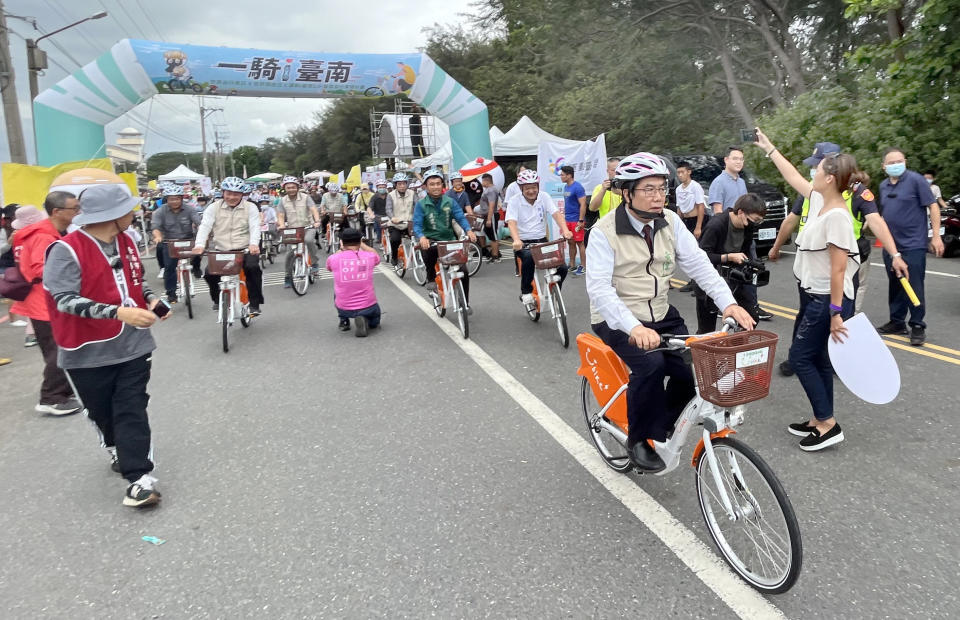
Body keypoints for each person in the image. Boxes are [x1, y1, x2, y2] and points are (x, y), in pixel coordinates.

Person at [586, 153, 755, 471]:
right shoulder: (604, 233)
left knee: (688, 377)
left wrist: (729, 304)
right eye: (648, 189)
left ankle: (660, 428)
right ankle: (637, 440)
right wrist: (633, 327)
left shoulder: (670, 221)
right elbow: (600, 290)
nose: (657, 196)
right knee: (649, 367)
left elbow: (699, 266)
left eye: (662, 188)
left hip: (661, 312)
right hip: (618, 316)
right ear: (627, 192)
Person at [43, 184, 167, 507]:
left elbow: (136, 280)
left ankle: (139, 478)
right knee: (101, 412)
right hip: (86, 351)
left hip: (134, 345)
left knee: (132, 407)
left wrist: (152, 300)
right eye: (128, 209)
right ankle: (115, 446)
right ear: (113, 215)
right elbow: (64, 300)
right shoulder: (65, 250)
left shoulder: (126, 241)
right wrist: (117, 312)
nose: (134, 213)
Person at [754, 128, 861, 451]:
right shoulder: (818, 199)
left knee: (800, 358)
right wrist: (769, 147)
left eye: (817, 169)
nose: (811, 173)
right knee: (818, 359)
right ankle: (819, 418)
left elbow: (840, 270)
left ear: (830, 178)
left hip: (824, 299)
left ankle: (828, 424)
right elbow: (791, 176)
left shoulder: (838, 216)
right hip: (810, 292)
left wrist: (836, 314)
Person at [769, 143, 907, 375]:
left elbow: (876, 222)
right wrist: (776, 246)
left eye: (817, 166)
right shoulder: (815, 191)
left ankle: (832, 362)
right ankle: (803, 358)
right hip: (811, 265)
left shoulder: (856, 192)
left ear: (831, 170)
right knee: (806, 314)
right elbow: (792, 217)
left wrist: (895, 254)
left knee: (841, 314)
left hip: (844, 264)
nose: (814, 171)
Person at [10, 198, 83, 415]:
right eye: (75, 209)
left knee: (55, 347)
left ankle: (62, 390)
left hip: (41, 299)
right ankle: (51, 397)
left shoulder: (41, 232)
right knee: (59, 348)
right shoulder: (43, 236)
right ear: (57, 211)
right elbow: (41, 268)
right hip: (44, 301)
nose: (78, 212)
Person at [876, 147, 943, 346]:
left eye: (899, 161)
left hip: (913, 244)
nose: (896, 165)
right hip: (891, 245)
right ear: (884, 166)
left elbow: (932, 206)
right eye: (891, 162)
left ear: (905, 161)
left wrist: (936, 236)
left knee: (914, 284)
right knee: (895, 284)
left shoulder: (916, 181)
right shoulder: (883, 185)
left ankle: (917, 325)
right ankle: (897, 322)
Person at [694, 194, 766, 333]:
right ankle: (701, 353)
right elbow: (701, 258)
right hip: (710, 278)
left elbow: (746, 251)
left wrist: (752, 265)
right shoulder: (716, 225)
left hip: (735, 276)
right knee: (706, 329)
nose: (754, 224)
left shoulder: (748, 227)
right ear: (740, 212)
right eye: (754, 220)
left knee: (751, 318)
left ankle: (736, 348)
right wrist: (728, 257)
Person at [192, 176, 264, 316]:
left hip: (244, 248)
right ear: (223, 193)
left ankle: (254, 303)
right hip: (222, 249)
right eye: (228, 193)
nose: (232, 197)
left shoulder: (251, 207)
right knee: (209, 274)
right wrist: (199, 245)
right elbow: (205, 226)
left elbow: (255, 227)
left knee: (252, 268)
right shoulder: (213, 207)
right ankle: (217, 299)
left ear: (242, 194)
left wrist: (254, 244)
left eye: (236, 194)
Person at [505, 169, 573, 305]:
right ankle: (526, 291)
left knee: (562, 268)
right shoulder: (514, 201)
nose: (531, 191)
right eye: (527, 188)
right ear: (521, 188)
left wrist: (565, 230)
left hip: (542, 241)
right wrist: (517, 240)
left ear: (538, 186)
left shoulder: (544, 196)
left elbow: (556, 214)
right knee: (529, 258)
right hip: (523, 243)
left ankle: (554, 291)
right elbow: (511, 222)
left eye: (534, 187)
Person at [413, 168, 478, 304]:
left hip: (449, 240)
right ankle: (430, 278)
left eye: (438, 183)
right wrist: (422, 237)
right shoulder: (421, 205)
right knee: (427, 251)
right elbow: (417, 225)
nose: (436, 186)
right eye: (432, 184)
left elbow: (460, 217)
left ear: (443, 185)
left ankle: (465, 303)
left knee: (463, 270)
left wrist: (468, 230)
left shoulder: (450, 201)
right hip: (431, 240)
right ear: (425, 186)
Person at [151, 183, 202, 303]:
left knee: (199, 251)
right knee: (169, 267)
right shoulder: (160, 211)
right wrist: (158, 237)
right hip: (169, 242)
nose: (174, 201)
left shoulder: (190, 209)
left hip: (187, 240)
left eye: (177, 198)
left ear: (182, 198)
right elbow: (156, 227)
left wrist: (202, 233)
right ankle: (171, 293)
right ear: (167, 199)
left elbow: (199, 223)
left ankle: (196, 267)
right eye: (171, 199)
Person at [326, 227, 381, 336]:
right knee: (375, 320)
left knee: (338, 289)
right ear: (360, 241)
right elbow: (377, 256)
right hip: (368, 307)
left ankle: (344, 321)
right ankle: (367, 321)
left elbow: (329, 268)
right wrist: (363, 245)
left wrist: (342, 250)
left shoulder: (333, 258)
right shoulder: (369, 256)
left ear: (341, 242)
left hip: (344, 308)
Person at [276, 176, 320, 286]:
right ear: (284, 188)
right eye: (288, 187)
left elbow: (313, 209)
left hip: (307, 226)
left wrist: (317, 220)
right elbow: (280, 215)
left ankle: (314, 263)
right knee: (289, 253)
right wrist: (281, 225)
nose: (291, 189)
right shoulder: (282, 201)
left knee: (309, 240)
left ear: (297, 187)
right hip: (292, 229)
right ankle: (287, 276)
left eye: (293, 187)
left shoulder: (306, 197)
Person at [560, 165, 587, 275]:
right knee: (571, 242)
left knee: (580, 243)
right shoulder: (566, 187)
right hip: (568, 220)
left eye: (562, 175)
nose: (561, 177)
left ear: (569, 175)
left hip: (576, 220)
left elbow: (583, 204)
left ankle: (584, 266)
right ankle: (572, 265)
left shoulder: (578, 187)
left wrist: (580, 220)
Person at [385, 173, 416, 265]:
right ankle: (394, 257)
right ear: (395, 185)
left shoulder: (413, 193)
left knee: (420, 239)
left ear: (407, 184)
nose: (402, 186)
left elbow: (418, 206)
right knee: (395, 239)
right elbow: (388, 209)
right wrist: (393, 218)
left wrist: (417, 217)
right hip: (396, 224)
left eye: (404, 183)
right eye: (399, 184)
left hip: (409, 223)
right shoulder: (390, 195)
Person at [708, 146, 748, 214]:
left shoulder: (742, 182)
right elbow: (717, 212)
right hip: (726, 223)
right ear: (726, 160)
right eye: (735, 159)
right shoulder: (718, 182)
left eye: (741, 159)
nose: (739, 162)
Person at [674, 161, 707, 239]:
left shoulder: (695, 186)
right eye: (678, 173)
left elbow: (701, 206)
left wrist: (698, 227)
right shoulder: (678, 189)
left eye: (682, 172)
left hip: (695, 220)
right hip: (685, 220)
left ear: (689, 172)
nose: (680, 175)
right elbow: (679, 208)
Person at [476, 173, 502, 262]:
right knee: (490, 235)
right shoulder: (488, 190)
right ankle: (494, 253)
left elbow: (491, 205)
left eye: (482, 181)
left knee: (493, 236)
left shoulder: (491, 190)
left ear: (486, 180)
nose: (481, 183)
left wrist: (489, 219)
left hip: (491, 215)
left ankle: (495, 256)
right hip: (485, 215)